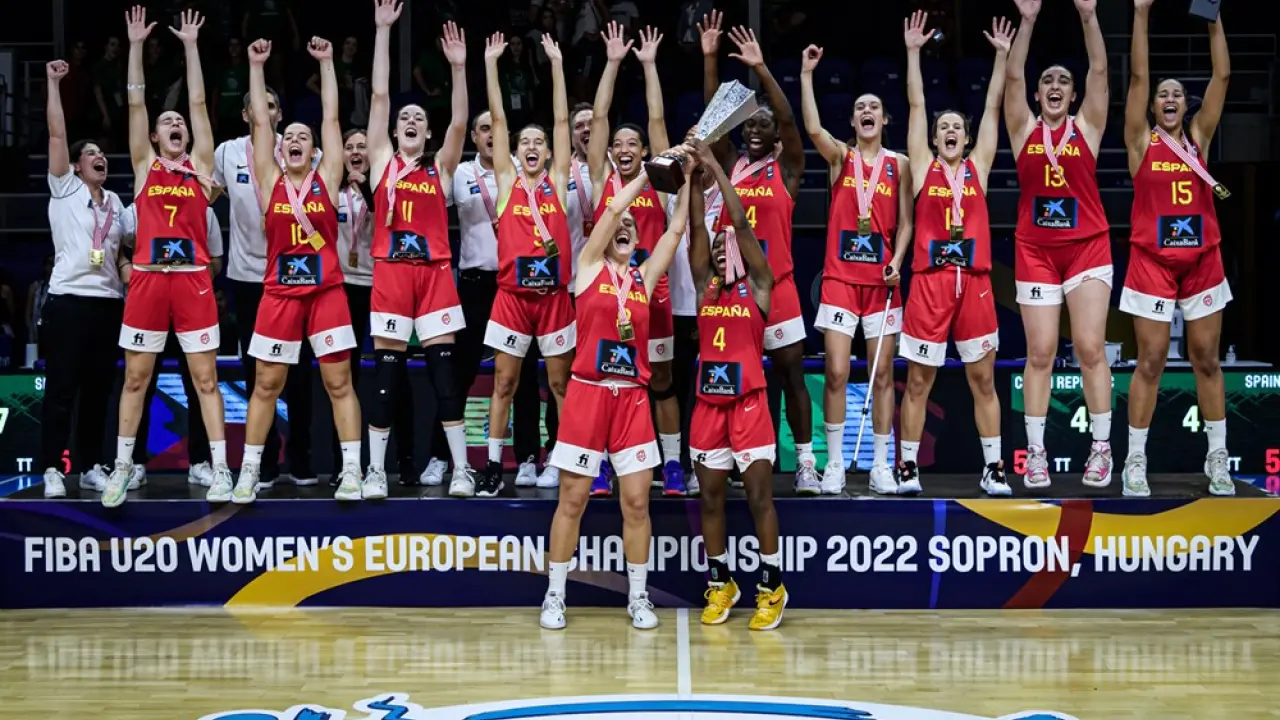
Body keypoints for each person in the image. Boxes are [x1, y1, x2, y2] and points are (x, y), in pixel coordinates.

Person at [541, 152, 695, 631]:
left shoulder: (643, 280)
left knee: (636, 503)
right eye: (619, 224)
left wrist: (686, 179)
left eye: (632, 224)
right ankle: (554, 595)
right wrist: (648, 174)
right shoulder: (588, 266)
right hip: (587, 393)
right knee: (573, 499)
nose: (625, 226)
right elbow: (611, 210)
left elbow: (674, 232)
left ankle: (639, 597)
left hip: (631, 399)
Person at [212, 36, 363, 504]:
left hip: (326, 293)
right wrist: (256, 66)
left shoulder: (328, 177)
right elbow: (261, 121)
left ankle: (352, 471)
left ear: (315, 151)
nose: (295, 140)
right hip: (278, 294)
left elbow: (332, 117)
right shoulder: (269, 179)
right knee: (265, 384)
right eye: (289, 137)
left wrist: (327, 62)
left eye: (304, 137)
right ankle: (248, 473)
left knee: (338, 382)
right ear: (280, 150)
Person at [108, 6, 227, 508]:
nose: (175, 123)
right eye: (166, 122)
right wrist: (135, 46)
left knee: (205, 379)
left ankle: (222, 470)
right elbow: (136, 104)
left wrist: (191, 47)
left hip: (194, 280)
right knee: (136, 377)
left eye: (179, 122)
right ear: (155, 137)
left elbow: (197, 102)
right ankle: (122, 467)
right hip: (149, 280)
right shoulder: (145, 166)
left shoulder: (200, 167)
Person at [898, 13, 1014, 497]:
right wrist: (913, 53)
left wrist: (1002, 57)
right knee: (919, 381)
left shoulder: (978, 168)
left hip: (976, 285)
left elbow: (992, 107)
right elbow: (916, 102)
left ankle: (994, 469)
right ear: (933, 139)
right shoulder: (922, 168)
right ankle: (907, 467)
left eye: (956, 128)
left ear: (966, 139)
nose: (949, 130)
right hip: (930, 283)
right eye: (942, 127)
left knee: (983, 380)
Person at [1121, 1, 1233, 497]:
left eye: (1177, 94)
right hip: (1152, 262)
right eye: (1162, 94)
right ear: (1153, 107)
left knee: (1206, 358)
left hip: (1202, 260)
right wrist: (1141, 13)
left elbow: (1222, 75)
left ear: (1186, 106)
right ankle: (1135, 460)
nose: (1169, 98)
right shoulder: (1140, 142)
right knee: (1150, 361)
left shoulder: (1199, 138)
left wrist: (1214, 17)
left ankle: (1217, 458)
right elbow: (1138, 76)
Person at [700, 16, 816, 492]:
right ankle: (729, 459)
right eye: (749, 123)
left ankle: (805, 462)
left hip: (778, 287)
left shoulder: (787, 170)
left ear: (775, 137)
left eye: (762, 125)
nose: (754, 129)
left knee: (791, 374)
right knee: (732, 377)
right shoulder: (731, 164)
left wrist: (762, 69)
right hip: (732, 289)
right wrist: (710, 59)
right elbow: (713, 124)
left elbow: (789, 120)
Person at [362, 1, 474, 496]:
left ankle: (461, 469)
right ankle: (374, 471)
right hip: (391, 273)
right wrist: (383, 31)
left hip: (435, 276)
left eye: (419, 118)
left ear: (427, 132)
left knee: (445, 378)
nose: (410, 120)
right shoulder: (381, 161)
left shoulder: (441, 169)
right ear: (394, 131)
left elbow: (460, 123)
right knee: (386, 378)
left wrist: (458, 68)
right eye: (404, 117)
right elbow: (380, 95)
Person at [1005, 0, 1113, 489]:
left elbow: (1100, 70)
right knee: (1041, 352)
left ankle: (1101, 450)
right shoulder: (1023, 129)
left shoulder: (1087, 127)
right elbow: (1011, 78)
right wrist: (1026, 22)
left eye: (1063, 81)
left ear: (1073, 95)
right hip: (1035, 251)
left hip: (1087, 247)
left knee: (1090, 348)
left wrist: (1089, 17)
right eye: (1047, 80)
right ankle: (1037, 455)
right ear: (1037, 93)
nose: (1054, 86)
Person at [800, 46, 913, 496]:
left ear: (884, 120)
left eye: (874, 107)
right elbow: (812, 128)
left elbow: (907, 223)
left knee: (882, 375)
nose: (867, 111)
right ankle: (834, 464)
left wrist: (897, 261)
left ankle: (882, 464)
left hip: (882, 284)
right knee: (836, 372)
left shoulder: (900, 164)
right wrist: (806, 75)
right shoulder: (840, 159)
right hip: (840, 282)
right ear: (852, 121)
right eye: (860, 108)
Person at [686, 140, 786, 629]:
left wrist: (715, 168)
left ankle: (772, 586)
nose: (722, 250)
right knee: (710, 499)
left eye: (728, 247)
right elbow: (694, 233)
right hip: (709, 406)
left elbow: (741, 224)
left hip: (749, 405)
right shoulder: (704, 286)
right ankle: (721, 582)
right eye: (716, 248)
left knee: (759, 499)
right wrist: (691, 177)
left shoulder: (759, 287)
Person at [586, 22, 686, 497]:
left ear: (645, 153)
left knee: (661, 378)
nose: (624, 149)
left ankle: (672, 464)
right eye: (618, 144)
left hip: (652, 292)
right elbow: (599, 115)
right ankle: (604, 463)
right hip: (608, 293)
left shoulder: (658, 181)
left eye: (633, 144)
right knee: (610, 377)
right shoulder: (600, 180)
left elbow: (658, 118)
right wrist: (611, 63)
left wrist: (648, 66)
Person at [475, 30, 576, 498]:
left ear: (550, 152)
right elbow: (498, 119)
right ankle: (495, 465)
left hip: (554, 299)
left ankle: (565, 460)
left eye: (540, 141)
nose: (532, 146)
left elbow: (562, 119)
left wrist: (556, 65)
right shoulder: (506, 182)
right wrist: (491, 65)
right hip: (512, 300)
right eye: (525, 142)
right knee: (505, 382)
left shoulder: (558, 181)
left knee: (560, 384)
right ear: (515, 152)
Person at [438, 110, 558, 491]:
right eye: (484, 129)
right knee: (460, 371)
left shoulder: (521, 176)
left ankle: (527, 458)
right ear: (474, 137)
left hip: (519, 286)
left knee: (524, 377)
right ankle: (442, 456)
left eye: (496, 128)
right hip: (475, 284)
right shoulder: (461, 174)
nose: (491, 134)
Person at [212, 81, 318, 489]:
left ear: (279, 113)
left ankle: (301, 458)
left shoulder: (299, 150)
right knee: (257, 374)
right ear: (245, 115)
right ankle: (266, 462)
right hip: (247, 278)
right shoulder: (227, 153)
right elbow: (204, 197)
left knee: (300, 371)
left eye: (271, 106)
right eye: (258, 106)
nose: (265, 112)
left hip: (294, 276)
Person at [39, 59, 128, 499]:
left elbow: (125, 250)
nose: (100, 157)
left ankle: (92, 465)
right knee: (61, 390)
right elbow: (57, 135)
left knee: (97, 392)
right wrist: (54, 83)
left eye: (102, 153)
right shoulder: (65, 188)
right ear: (75, 166)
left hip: (108, 304)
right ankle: (53, 469)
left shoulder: (116, 204)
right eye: (90, 153)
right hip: (68, 302)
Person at [115, 203, 223, 491]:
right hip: (151, 303)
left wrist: (198, 279)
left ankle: (200, 462)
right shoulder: (138, 209)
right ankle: (134, 463)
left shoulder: (204, 210)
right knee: (139, 383)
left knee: (200, 385)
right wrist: (126, 267)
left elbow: (216, 259)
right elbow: (116, 241)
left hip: (190, 305)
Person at [333, 128, 415, 480]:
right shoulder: (332, 192)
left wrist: (366, 187)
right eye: (349, 146)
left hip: (383, 285)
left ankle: (406, 460)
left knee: (395, 374)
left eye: (362, 146)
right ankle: (343, 464)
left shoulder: (389, 189)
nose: (355, 152)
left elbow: (388, 217)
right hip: (343, 288)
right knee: (342, 376)